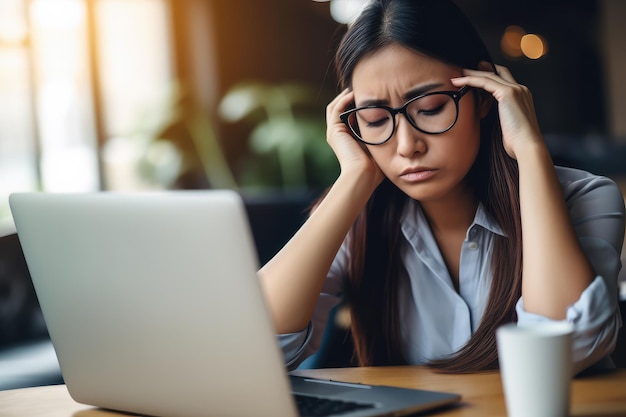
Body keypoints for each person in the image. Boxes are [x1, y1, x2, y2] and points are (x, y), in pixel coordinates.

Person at [258, 0, 625, 374]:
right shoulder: (359, 219)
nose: (406, 146)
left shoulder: (584, 198)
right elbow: (255, 350)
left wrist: (530, 151)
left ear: (484, 96)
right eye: (374, 119)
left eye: (431, 108)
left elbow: (563, 353)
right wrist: (354, 176)